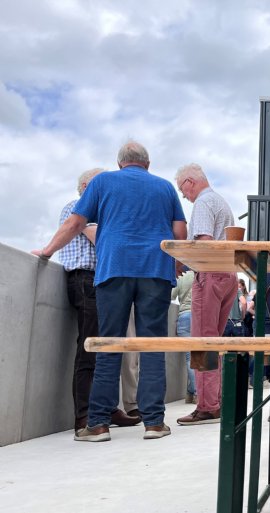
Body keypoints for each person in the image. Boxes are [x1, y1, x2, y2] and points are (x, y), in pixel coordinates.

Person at [34, 140, 187, 441]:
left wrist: (48, 250)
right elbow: (179, 231)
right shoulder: (165, 187)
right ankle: (154, 423)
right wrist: (175, 264)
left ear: (120, 163)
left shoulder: (103, 181)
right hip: (155, 271)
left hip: (113, 269)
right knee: (152, 345)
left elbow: (76, 222)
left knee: (109, 344)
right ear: (148, 164)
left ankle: (99, 424)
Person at [45, 168, 140, 434]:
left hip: (100, 282)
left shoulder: (96, 212)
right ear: (87, 185)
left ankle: (107, 409)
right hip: (85, 280)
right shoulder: (77, 207)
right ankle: (85, 418)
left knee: (106, 350)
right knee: (89, 350)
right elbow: (102, 239)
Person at [174, 163, 238, 426]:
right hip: (228, 275)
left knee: (202, 343)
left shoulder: (202, 203)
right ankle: (214, 400)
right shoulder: (220, 202)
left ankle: (208, 405)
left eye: (182, 190)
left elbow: (203, 240)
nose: (184, 196)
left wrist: (182, 259)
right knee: (214, 343)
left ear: (190, 182)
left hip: (210, 274)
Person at [172, 269, 196, 404]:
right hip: (201, 316)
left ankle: (193, 392)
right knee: (202, 356)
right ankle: (194, 392)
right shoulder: (204, 273)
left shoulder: (183, 276)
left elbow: (171, 295)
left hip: (184, 316)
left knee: (189, 357)